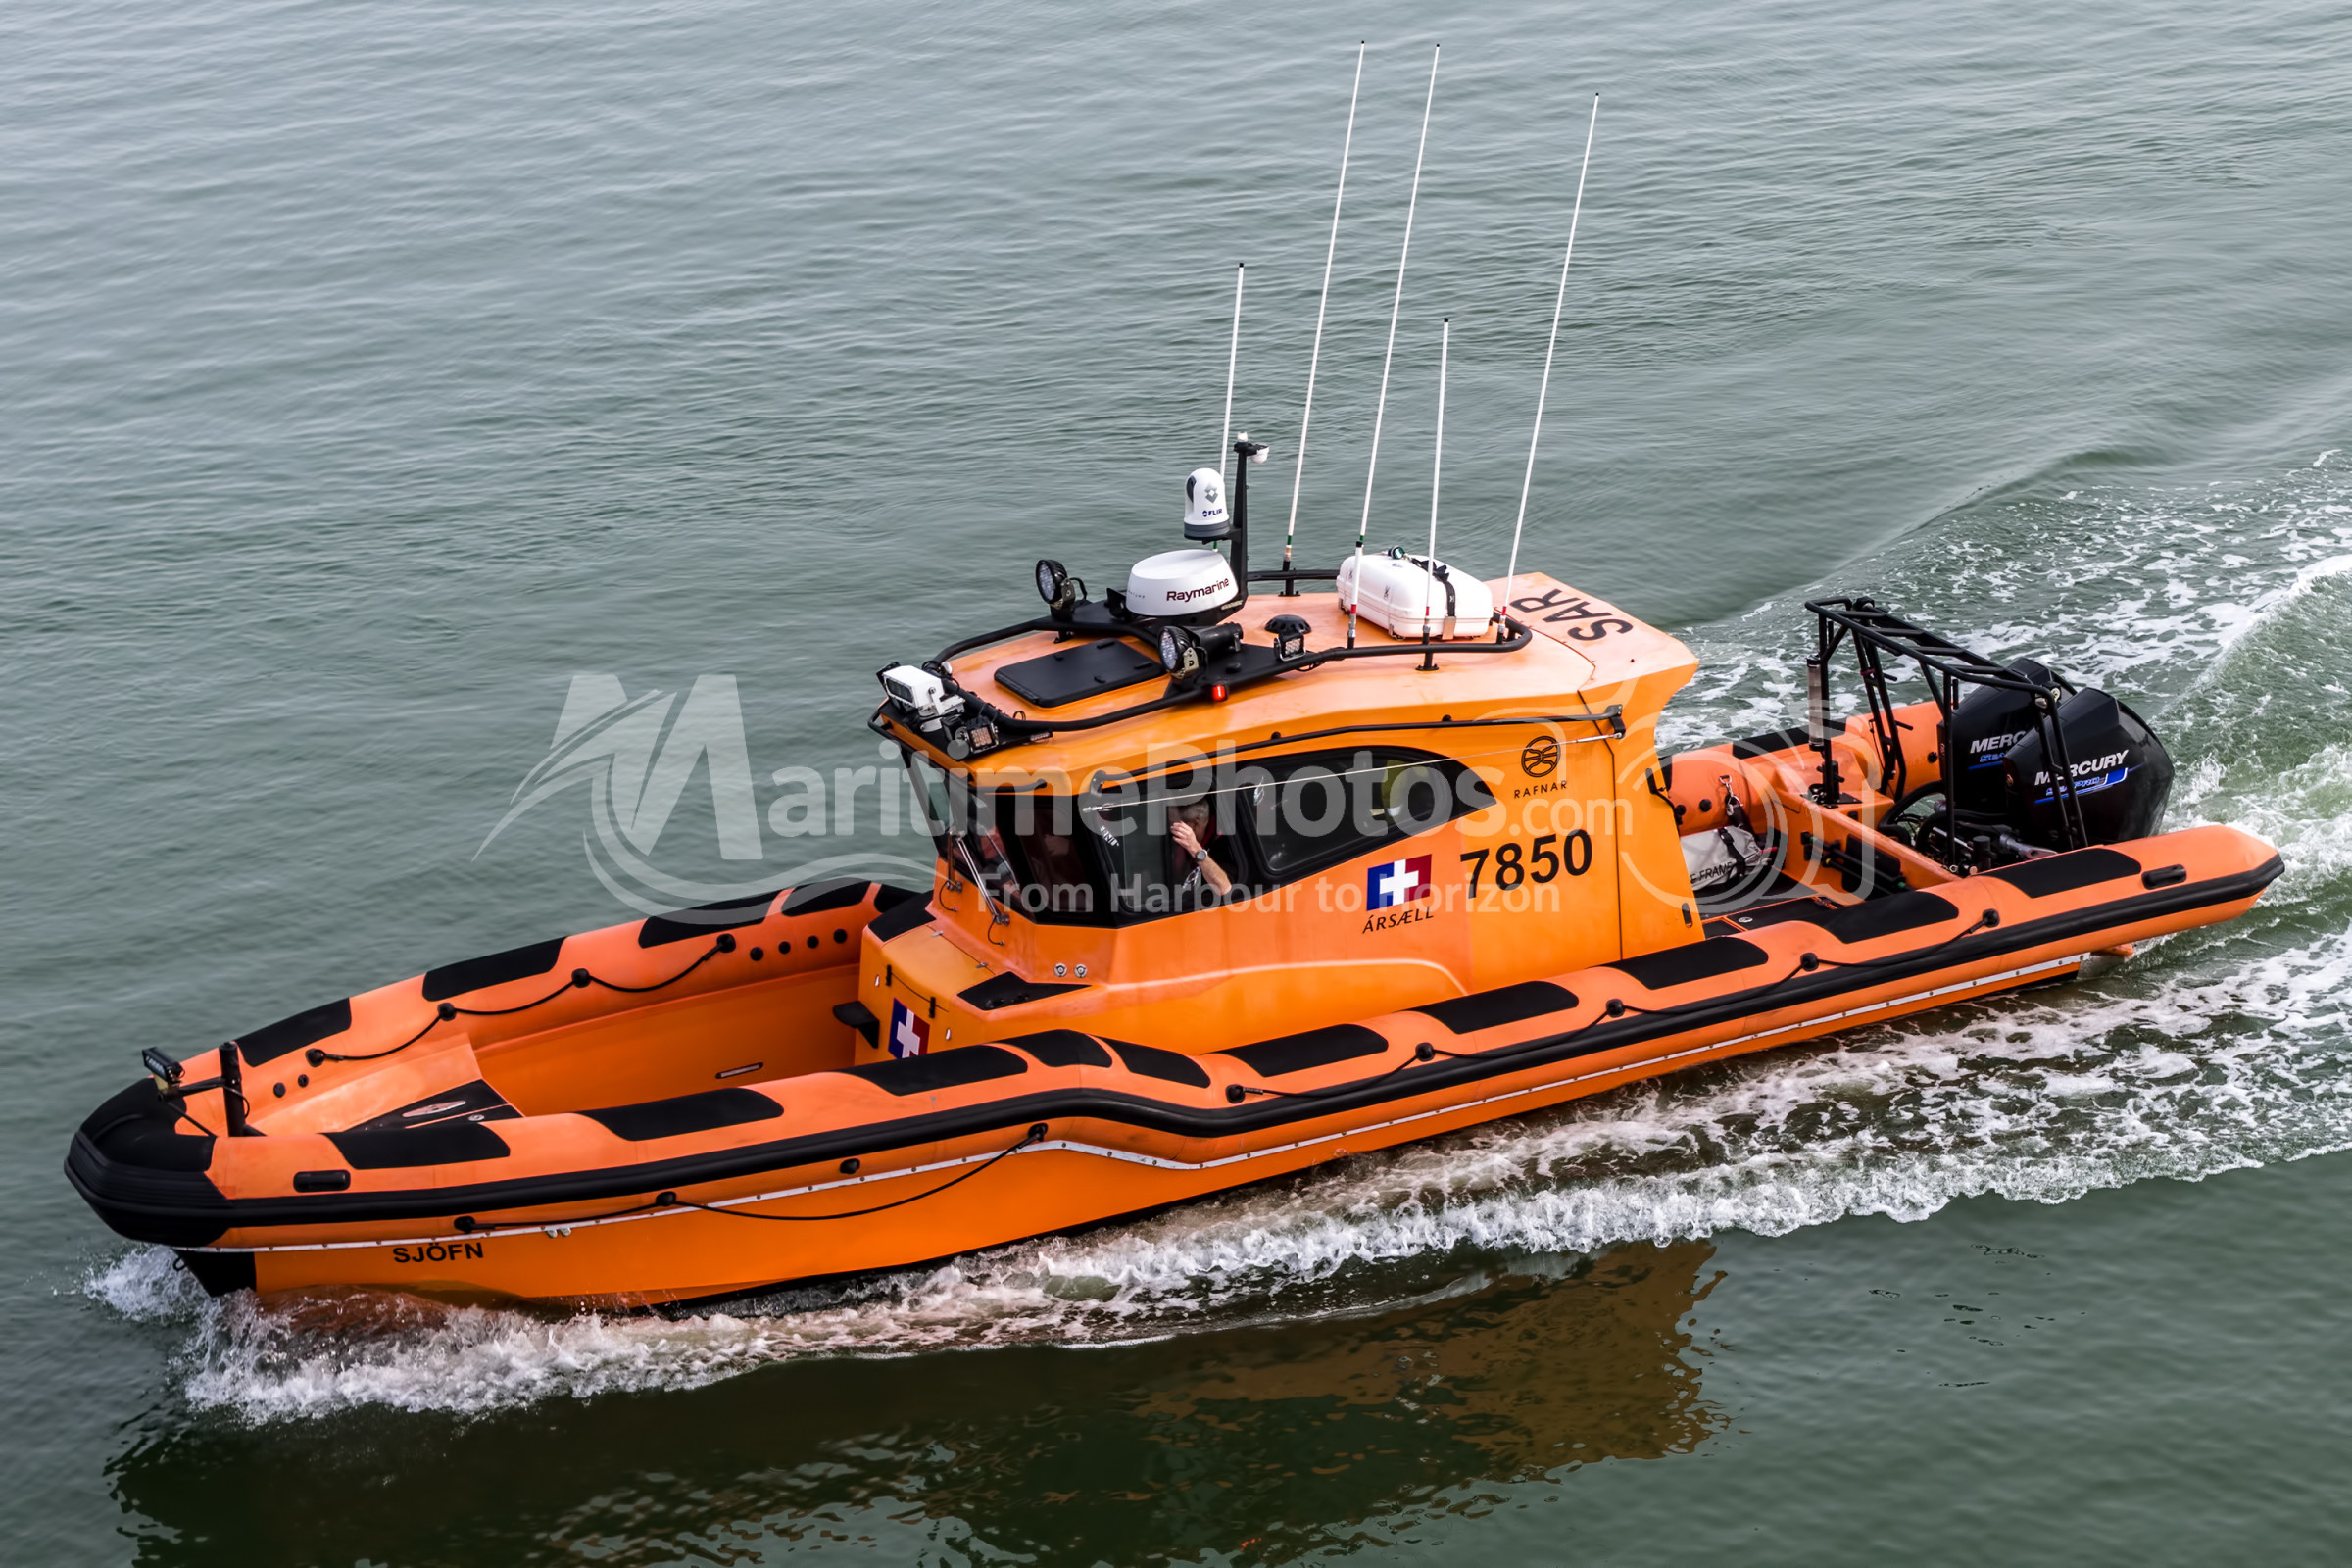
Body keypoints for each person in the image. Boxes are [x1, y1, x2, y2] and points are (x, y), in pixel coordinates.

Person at [1167, 800, 1234, 900]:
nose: (1171, 830)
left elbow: (1224, 888)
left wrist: (1194, 848)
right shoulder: (1175, 841)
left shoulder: (1225, 844)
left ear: (1195, 824)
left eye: (1175, 825)